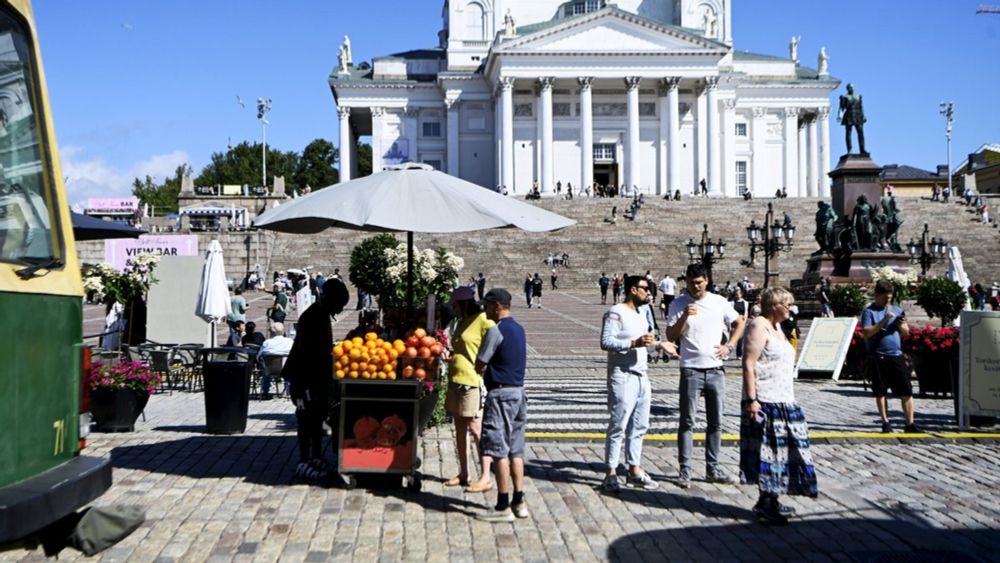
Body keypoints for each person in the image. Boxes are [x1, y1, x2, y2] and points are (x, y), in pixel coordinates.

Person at [740, 287, 818, 525]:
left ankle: (771, 498)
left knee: (783, 453)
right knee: (770, 453)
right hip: (766, 400)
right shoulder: (758, 325)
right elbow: (749, 364)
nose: (791, 308)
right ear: (775, 306)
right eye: (788, 304)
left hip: (784, 398)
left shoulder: (777, 328)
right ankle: (766, 501)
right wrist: (753, 400)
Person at [666, 263, 746, 488]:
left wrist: (729, 346)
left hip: (716, 370)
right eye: (691, 282)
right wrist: (683, 317)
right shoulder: (678, 303)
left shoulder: (719, 302)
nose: (696, 286)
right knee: (687, 421)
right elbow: (671, 336)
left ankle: (713, 467)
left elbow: (740, 322)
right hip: (690, 369)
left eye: (699, 282)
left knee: (716, 422)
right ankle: (685, 470)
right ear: (686, 282)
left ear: (706, 281)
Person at [599, 275, 678, 493]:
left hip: (643, 375)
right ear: (634, 290)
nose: (649, 292)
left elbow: (647, 345)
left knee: (640, 425)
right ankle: (611, 473)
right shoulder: (616, 312)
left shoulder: (642, 314)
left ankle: (634, 470)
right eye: (646, 288)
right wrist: (633, 342)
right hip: (623, 375)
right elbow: (605, 342)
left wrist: (661, 345)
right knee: (618, 425)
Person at [282, 278, 349, 482]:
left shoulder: (321, 314)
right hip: (305, 378)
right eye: (339, 305)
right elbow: (309, 353)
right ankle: (305, 459)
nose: (339, 311)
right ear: (330, 299)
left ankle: (316, 456)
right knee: (306, 419)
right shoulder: (313, 317)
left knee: (317, 417)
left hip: (316, 378)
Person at [475, 289, 530, 521]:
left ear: (497, 306)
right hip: (519, 393)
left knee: (498, 450)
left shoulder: (495, 331)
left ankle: (502, 506)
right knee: (516, 450)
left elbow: (480, 363)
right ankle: (519, 501)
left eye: (487, 305)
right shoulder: (519, 329)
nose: (485, 310)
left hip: (500, 395)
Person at [444, 287, 495, 493]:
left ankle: (485, 476)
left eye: (455, 305)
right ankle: (464, 472)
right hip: (455, 378)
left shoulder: (483, 319)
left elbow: (495, 341)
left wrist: (483, 364)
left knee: (475, 428)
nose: (453, 309)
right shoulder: (461, 321)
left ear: (464, 303)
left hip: (472, 382)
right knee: (459, 429)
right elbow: (460, 348)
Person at [861, 280, 920, 434]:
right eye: (885, 298)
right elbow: (867, 332)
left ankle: (910, 424)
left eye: (890, 298)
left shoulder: (897, 310)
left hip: (897, 355)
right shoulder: (869, 312)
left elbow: (906, 332)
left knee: (906, 391)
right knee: (881, 392)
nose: (888, 301)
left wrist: (901, 324)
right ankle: (885, 422)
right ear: (877, 296)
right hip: (879, 356)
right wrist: (884, 320)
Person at [258, 321, 294, 398]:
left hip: (269, 370)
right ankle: (288, 390)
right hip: (285, 370)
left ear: (272, 332)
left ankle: (265, 391)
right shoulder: (289, 341)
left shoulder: (266, 343)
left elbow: (259, 356)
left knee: (264, 368)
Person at [731, 286, 749, 360]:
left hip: (742, 321)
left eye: (738, 294)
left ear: (741, 294)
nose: (737, 295)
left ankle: (739, 354)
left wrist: (745, 319)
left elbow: (746, 312)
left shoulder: (745, 303)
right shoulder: (732, 303)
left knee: (740, 339)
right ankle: (728, 353)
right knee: (732, 337)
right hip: (734, 321)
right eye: (736, 294)